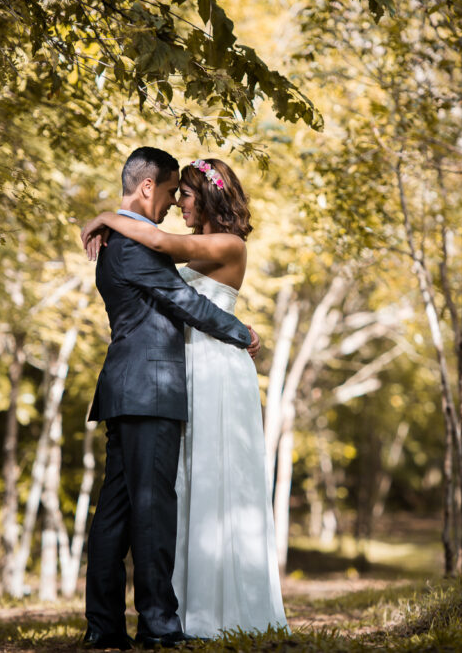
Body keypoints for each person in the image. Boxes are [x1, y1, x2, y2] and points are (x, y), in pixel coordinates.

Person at [82, 157, 288, 639]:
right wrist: (242, 332)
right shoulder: (136, 243)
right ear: (149, 186)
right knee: (153, 506)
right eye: (174, 192)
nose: (177, 203)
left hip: (176, 378)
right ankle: (157, 626)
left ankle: (108, 627)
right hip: (157, 384)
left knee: (125, 506)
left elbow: (172, 265)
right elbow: (185, 300)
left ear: (210, 197)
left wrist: (108, 218)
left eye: (186, 195)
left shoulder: (202, 244)